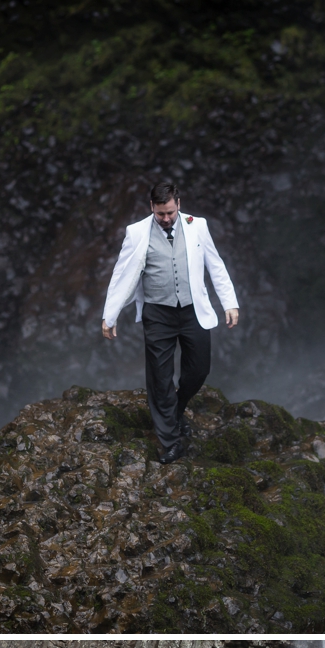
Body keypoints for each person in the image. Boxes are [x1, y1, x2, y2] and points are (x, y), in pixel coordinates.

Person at [101, 181, 241, 463]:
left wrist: (230, 302)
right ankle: (170, 441)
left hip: (193, 310)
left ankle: (176, 410)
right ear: (152, 206)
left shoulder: (197, 225)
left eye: (170, 213)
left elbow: (215, 264)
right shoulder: (136, 232)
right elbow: (121, 274)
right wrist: (109, 314)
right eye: (160, 213)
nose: (165, 219)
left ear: (178, 203)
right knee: (160, 378)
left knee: (199, 368)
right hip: (157, 313)